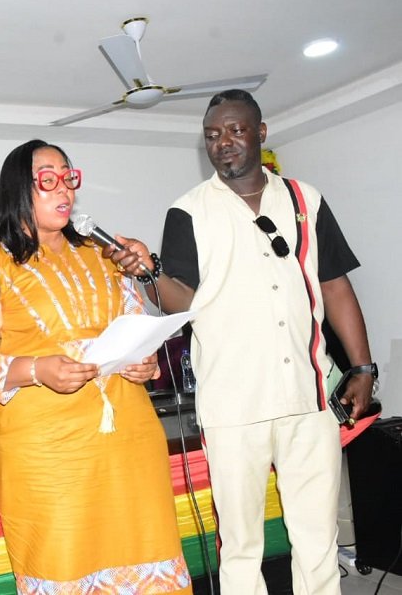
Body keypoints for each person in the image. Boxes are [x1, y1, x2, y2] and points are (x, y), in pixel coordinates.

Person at [115, 89, 375, 594]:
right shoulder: (187, 212)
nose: (223, 143)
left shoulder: (306, 200)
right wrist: (149, 273)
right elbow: (178, 302)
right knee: (240, 546)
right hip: (232, 407)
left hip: (310, 399)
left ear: (260, 133)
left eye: (234, 130)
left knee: (317, 539)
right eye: (212, 136)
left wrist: (362, 369)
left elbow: (335, 284)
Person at [0, 139, 191, 593]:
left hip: (128, 439)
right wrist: (37, 370)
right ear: (19, 188)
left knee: (147, 556)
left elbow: (137, 328)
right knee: (63, 563)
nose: (65, 189)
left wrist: (145, 362)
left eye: (69, 177)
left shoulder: (104, 255)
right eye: (48, 179)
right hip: (48, 453)